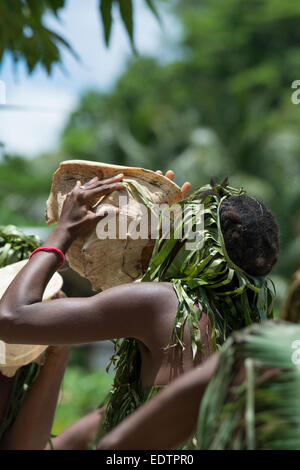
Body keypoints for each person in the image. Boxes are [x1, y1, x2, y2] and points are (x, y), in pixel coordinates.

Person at [0, 170, 280, 448]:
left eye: (184, 223)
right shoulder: (240, 328)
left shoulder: (160, 303)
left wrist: (64, 230)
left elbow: (11, 318)